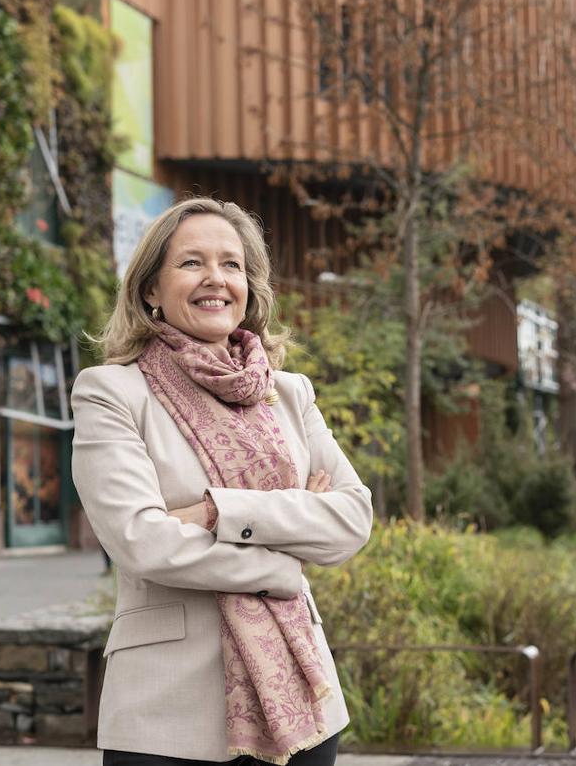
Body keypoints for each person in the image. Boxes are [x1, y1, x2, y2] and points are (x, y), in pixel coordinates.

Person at [71, 197, 373, 766]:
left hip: (303, 707)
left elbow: (352, 519)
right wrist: (283, 561)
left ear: (249, 285)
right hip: (167, 714)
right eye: (192, 263)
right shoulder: (111, 393)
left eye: (231, 264)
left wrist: (214, 512)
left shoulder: (290, 393)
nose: (216, 279)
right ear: (151, 291)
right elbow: (142, 542)